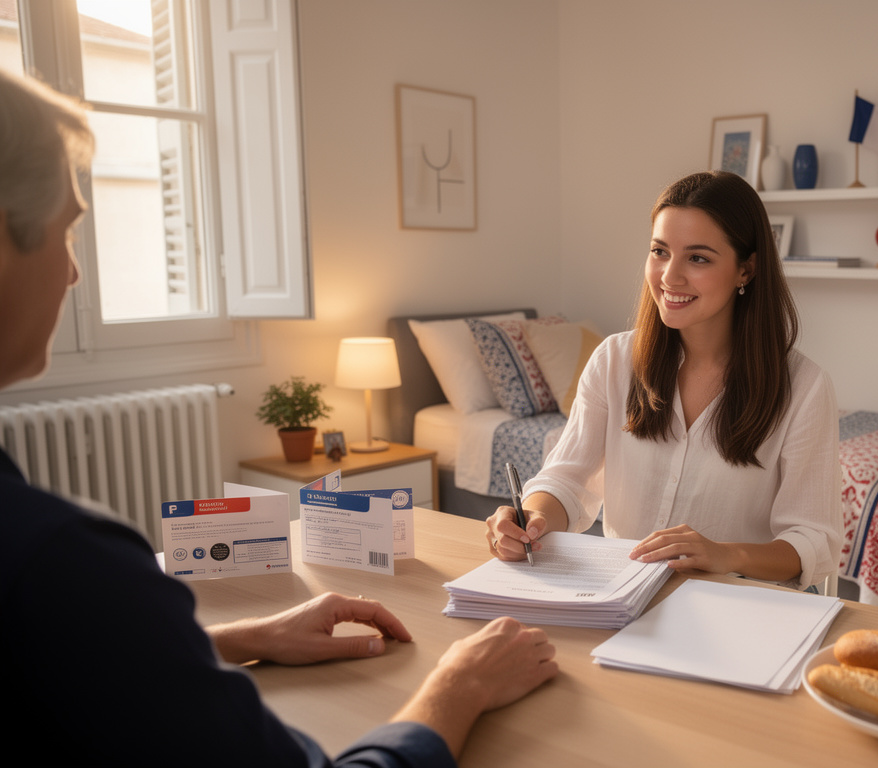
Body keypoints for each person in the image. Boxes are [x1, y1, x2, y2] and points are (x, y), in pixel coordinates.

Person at [0, 68, 558, 767]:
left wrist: (239, 638)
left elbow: (72, 673)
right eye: (68, 233)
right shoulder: (59, 562)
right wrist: (459, 682)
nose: (75, 274)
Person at [486, 171, 844, 590]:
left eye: (698, 258)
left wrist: (724, 554)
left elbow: (811, 541)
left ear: (745, 270)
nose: (669, 277)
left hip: (738, 608)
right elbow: (565, 478)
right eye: (660, 251)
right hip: (622, 598)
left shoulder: (804, 387)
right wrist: (530, 518)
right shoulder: (614, 360)